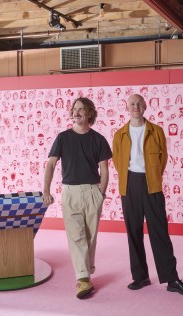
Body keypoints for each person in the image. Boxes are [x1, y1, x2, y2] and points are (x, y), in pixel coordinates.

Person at [112, 94, 183, 296]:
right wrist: (130, 178)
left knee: (159, 231)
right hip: (129, 184)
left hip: (152, 184)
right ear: (127, 107)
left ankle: (172, 279)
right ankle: (140, 277)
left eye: (139, 103)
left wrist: (153, 178)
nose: (136, 106)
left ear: (145, 106)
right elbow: (117, 160)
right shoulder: (120, 134)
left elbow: (163, 158)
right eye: (132, 103)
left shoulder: (156, 131)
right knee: (133, 231)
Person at [43, 97, 112, 299]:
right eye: (75, 109)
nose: (77, 112)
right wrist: (46, 191)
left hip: (93, 191)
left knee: (90, 237)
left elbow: (105, 169)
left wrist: (100, 193)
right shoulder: (63, 138)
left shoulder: (99, 139)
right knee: (76, 237)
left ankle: (86, 272)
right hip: (70, 192)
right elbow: (50, 164)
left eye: (82, 109)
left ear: (90, 113)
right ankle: (82, 279)